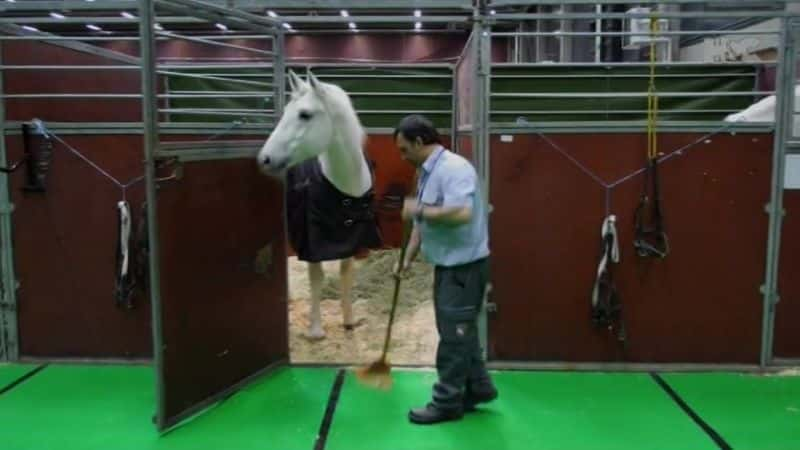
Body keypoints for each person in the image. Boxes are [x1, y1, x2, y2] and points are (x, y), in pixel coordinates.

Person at [393, 114, 497, 425]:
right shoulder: (428, 171)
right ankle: (478, 387)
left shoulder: (454, 169)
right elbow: (422, 223)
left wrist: (419, 209)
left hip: (464, 268)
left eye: (403, 149)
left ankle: (447, 401)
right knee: (457, 330)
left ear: (420, 142)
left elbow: (461, 213)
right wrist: (407, 258)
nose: (402, 156)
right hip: (447, 265)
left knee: (453, 336)